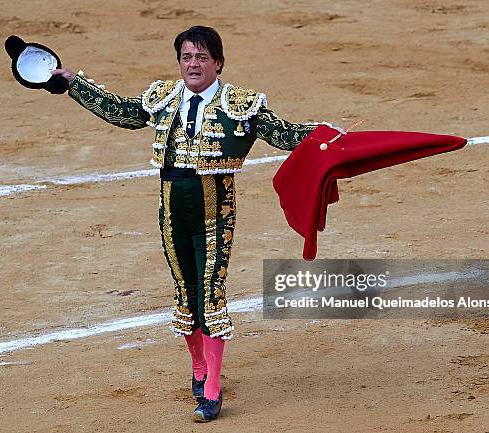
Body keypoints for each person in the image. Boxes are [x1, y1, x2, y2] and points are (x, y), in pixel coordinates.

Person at [52, 25, 331, 422]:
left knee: (210, 293)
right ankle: (199, 367)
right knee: (186, 291)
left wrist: (327, 138)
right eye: (187, 57)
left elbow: (283, 134)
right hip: (171, 210)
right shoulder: (165, 98)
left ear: (218, 62)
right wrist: (74, 84)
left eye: (202, 57)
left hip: (215, 213)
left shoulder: (240, 104)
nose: (194, 63)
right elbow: (124, 112)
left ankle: (212, 389)